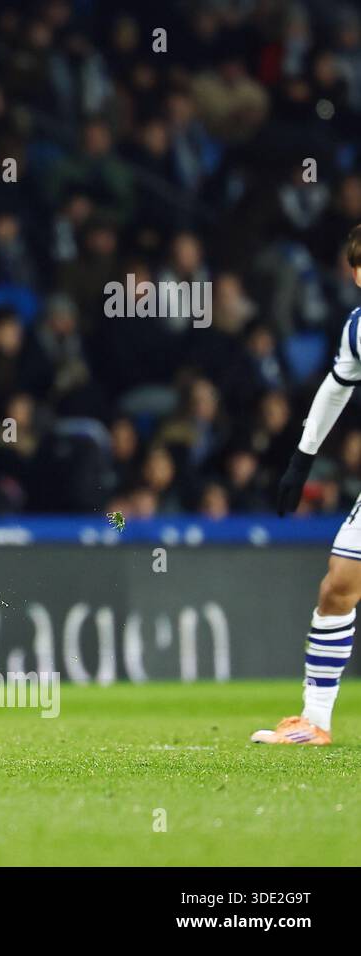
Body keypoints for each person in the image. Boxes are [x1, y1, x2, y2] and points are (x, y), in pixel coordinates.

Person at [257, 224, 361, 744]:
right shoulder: (358, 327)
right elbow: (335, 388)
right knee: (338, 585)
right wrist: (301, 460)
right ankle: (315, 721)